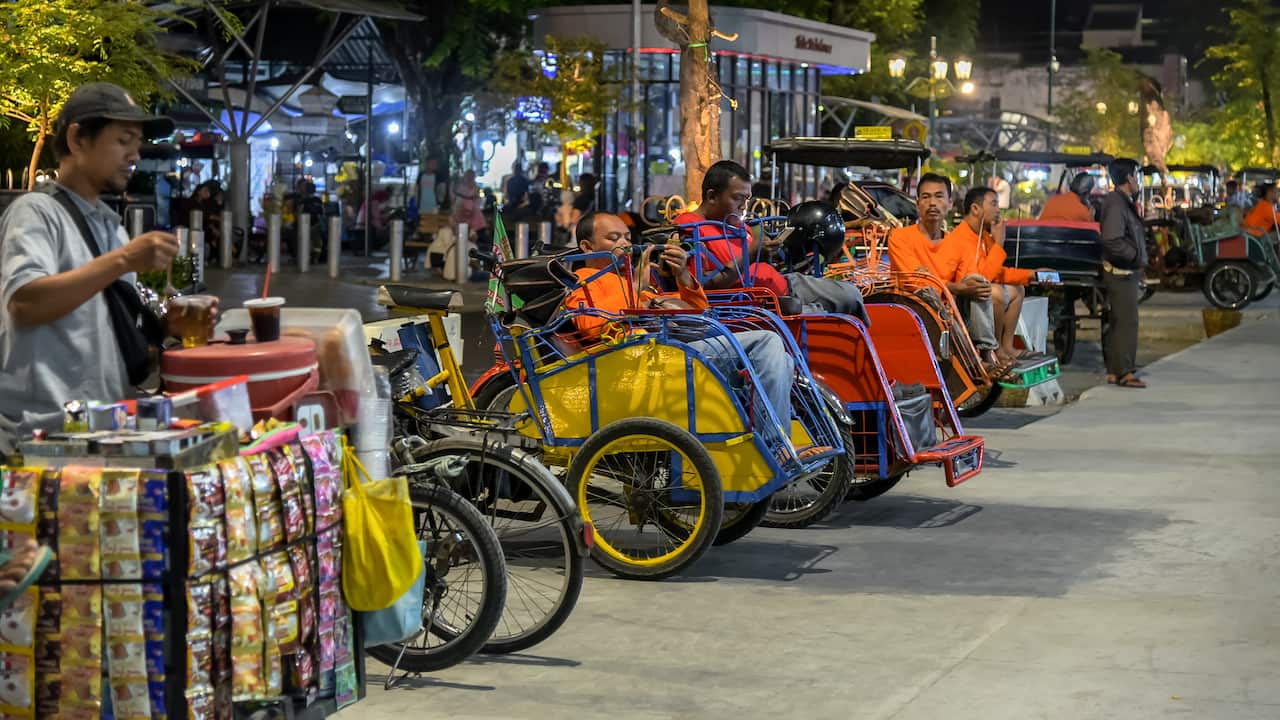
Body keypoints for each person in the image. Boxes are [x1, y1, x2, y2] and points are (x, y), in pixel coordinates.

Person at [0, 82, 181, 452]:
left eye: (138, 143)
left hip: (104, 436)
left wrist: (169, 329)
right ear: (78, 139)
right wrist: (124, 259)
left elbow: (111, 340)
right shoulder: (35, 213)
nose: (134, 155)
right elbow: (24, 303)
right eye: (123, 140)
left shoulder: (111, 227)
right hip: (42, 442)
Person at [565, 212, 827, 457]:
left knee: (781, 359)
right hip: (646, 363)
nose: (624, 244)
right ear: (587, 247)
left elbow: (698, 314)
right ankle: (776, 448)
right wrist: (637, 289)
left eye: (627, 237)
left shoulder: (627, 279)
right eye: (613, 238)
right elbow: (593, 326)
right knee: (766, 341)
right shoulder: (584, 283)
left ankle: (764, 447)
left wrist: (682, 275)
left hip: (673, 350)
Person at [673, 160, 867, 320]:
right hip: (762, 301)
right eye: (738, 198)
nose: (744, 206)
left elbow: (756, 255)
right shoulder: (690, 228)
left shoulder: (732, 222)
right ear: (712, 196)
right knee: (844, 304)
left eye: (747, 199)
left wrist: (768, 250)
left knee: (852, 293)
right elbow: (702, 287)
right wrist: (752, 254)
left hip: (784, 283)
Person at [886, 174, 1009, 375]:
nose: (932, 203)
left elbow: (968, 278)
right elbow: (916, 281)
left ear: (950, 203)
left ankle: (987, 352)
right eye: (926, 197)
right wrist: (954, 287)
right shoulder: (900, 237)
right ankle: (973, 362)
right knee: (929, 292)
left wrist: (965, 285)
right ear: (918, 203)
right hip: (914, 304)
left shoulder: (957, 242)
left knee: (977, 281)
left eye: (939, 196)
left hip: (949, 304)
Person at [950, 187, 1053, 363]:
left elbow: (997, 271)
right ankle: (995, 349)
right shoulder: (961, 237)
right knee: (996, 292)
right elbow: (984, 278)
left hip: (978, 295)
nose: (998, 210)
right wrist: (999, 242)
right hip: (964, 300)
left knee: (1017, 290)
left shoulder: (982, 235)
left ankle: (1007, 346)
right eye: (994, 204)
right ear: (975, 209)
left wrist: (1032, 275)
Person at [1099, 158, 1148, 389]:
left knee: (1119, 321)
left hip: (1124, 269)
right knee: (1127, 322)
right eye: (1136, 176)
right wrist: (1134, 256)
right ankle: (1125, 372)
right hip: (1121, 271)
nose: (1138, 181)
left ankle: (1114, 370)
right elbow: (1112, 240)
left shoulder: (1121, 201)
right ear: (1129, 177)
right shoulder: (1116, 203)